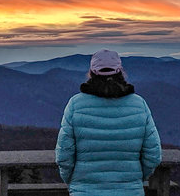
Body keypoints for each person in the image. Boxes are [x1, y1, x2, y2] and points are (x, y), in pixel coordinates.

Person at [55, 49, 162, 196]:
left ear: (91, 72)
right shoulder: (139, 105)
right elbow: (153, 155)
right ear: (120, 72)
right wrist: (135, 179)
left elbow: (64, 156)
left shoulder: (75, 104)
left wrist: (73, 182)